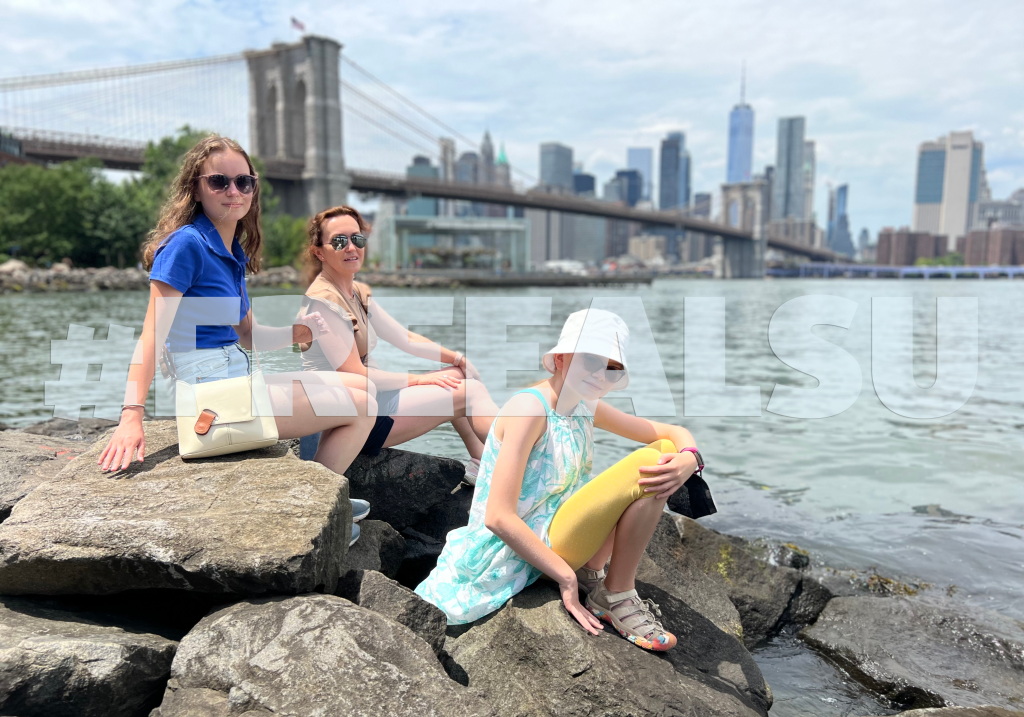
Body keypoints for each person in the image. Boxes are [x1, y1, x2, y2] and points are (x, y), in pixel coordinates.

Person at [97, 136, 378, 529]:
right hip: (210, 399)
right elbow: (150, 337)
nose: (234, 191)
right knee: (362, 403)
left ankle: (322, 497)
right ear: (195, 187)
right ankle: (319, 515)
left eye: (244, 182)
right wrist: (131, 416)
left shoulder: (232, 254)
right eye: (219, 182)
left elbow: (247, 336)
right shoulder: (186, 246)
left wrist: (296, 333)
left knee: (360, 388)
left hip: (234, 379)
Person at [415, 309, 703, 652]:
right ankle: (616, 595)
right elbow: (497, 516)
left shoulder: (584, 404)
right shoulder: (529, 409)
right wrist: (565, 579)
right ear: (563, 357)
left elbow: (669, 433)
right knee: (650, 462)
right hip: (522, 548)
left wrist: (690, 458)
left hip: (562, 535)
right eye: (592, 360)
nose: (600, 375)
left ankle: (596, 575)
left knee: (666, 450)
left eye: (612, 369)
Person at [295, 205, 498, 475]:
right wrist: (418, 379)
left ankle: (482, 460)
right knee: (471, 393)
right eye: (339, 241)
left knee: (458, 376)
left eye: (357, 238)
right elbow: (354, 374)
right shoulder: (323, 302)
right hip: (349, 419)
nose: (351, 247)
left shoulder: (355, 290)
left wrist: (457, 358)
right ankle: (520, 461)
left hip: (372, 399)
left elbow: (404, 338)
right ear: (319, 251)